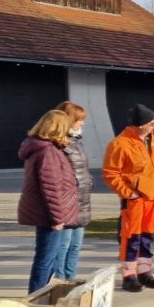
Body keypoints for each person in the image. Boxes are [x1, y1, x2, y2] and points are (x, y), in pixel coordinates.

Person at [103, 104, 154, 292]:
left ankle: (144, 273)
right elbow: (111, 173)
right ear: (140, 124)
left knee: (147, 237)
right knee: (131, 237)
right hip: (134, 200)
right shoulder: (120, 144)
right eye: (151, 122)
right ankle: (129, 276)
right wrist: (129, 193)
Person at [18, 110, 79, 293]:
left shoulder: (44, 148)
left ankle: (42, 293)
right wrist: (57, 218)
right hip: (49, 216)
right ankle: (37, 296)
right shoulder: (47, 152)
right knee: (45, 259)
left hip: (46, 214)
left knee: (48, 258)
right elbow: (51, 188)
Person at [53, 101, 92, 278]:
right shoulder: (58, 143)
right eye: (79, 119)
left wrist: (88, 181)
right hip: (68, 202)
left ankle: (71, 277)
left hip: (81, 200)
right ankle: (60, 279)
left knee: (76, 244)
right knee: (64, 244)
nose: (82, 123)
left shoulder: (76, 141)